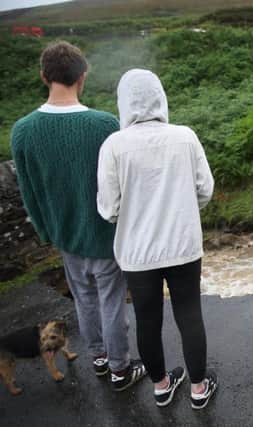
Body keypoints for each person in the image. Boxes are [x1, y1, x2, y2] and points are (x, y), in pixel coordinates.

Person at [10, 41, 146, 391]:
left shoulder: (22, 131)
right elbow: (122, 183)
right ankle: (120, 368)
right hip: (106, 236)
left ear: (44, 76)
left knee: (84, 300)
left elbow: (29, 191)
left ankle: (98, 357)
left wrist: (46, 232)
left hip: (65, 237)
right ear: (82, 77)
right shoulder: (104, 124)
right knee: (112, 302)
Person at [97, 69, 217, 408]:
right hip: (183, 246)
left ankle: (162, 386)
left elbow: (108, 209)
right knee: (189, 314)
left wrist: (134, 214)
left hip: (138, 253)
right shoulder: (185, 136)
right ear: (160, 96)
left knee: (147, 321)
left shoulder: (113, 146)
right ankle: (198, 389)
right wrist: (184, 210)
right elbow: (205, 190)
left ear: (123, 103)